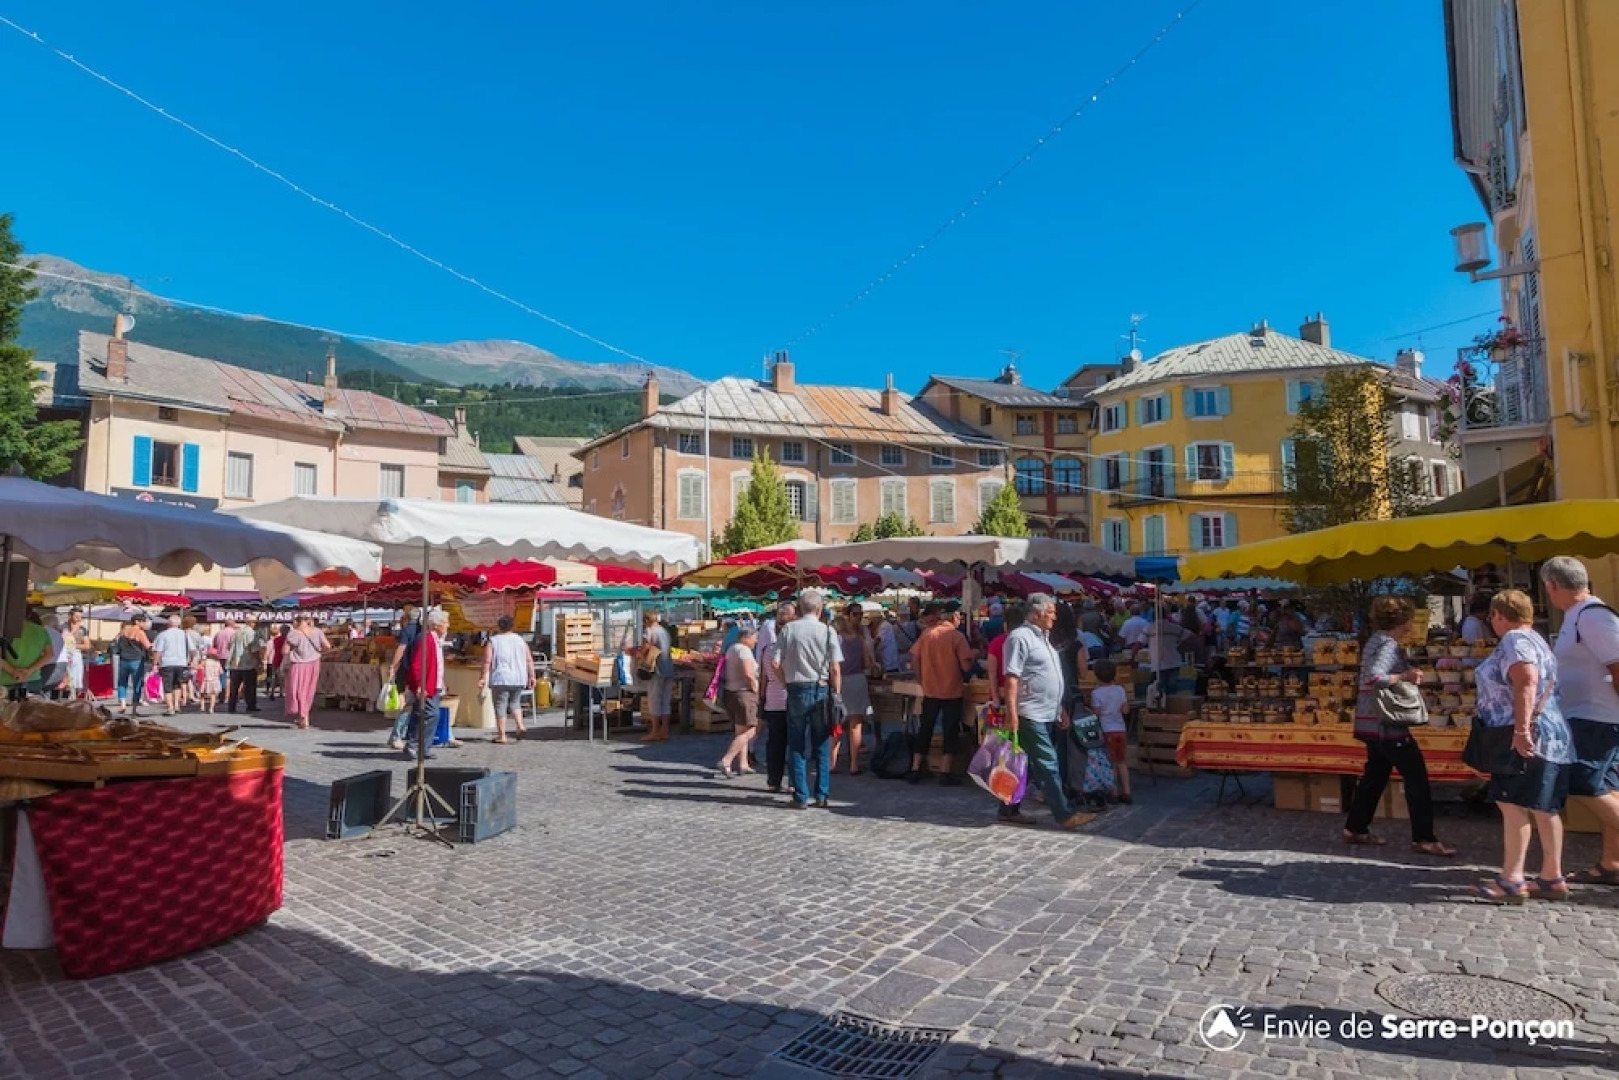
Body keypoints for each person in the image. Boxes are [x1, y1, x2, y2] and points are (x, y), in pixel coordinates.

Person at [1472, 589, 1575, 902]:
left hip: (1527, 733)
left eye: (1494, 616)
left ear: (1500, 616)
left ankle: (1511, 880)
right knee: (1544, 807)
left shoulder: (1514, 640)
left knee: (1512, 803)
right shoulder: (1538, 639)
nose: (1492, 622)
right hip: (1553, 733)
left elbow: (1526, 680)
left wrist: (1520, 730)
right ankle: (1550, 876)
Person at [1342, 597, 1457, 856]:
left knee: (1375, 774)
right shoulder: (1387, 645)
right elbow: (1374, 678)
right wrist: (1405, 676)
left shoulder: (1375, 640)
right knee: (1416, 777)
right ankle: (1424, 838)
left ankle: (1355, 827)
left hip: (1372, 723)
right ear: (1402, 620)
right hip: (1387, 724)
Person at [1541, 557, 1619, 886]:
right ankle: (1612, 863)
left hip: (1596, 715)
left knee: (1584, 782)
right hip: (1589, 714)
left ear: (1552, 586)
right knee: (1610, 790)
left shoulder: (1592, 616)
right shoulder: (1580, 616)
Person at [997, 594, 1096, 830]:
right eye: (1050, 611)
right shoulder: (1020, 638)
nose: (1054, 616)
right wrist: (1011, 713)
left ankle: (1008, 809)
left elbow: (1049, 676)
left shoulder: (1044, 638)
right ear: (1036, 613)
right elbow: (1012, 678)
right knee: (1048, 763)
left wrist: (1059, 707)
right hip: (1029, 712)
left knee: (1028, 765)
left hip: (1046, 711)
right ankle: (1065, 814)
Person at [773, 589, 842, 809]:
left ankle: (800, 795)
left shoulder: (789, 630)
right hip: (821, 689)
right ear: (819, 609)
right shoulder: (828, 632)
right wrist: (837, 694)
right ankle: (821, 794)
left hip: (796, 689)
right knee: (821, 743)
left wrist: (785, 682)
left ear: (799, 609)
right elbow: (835, 668)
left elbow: (774, 663)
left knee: (796, 743)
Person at [909, 601, 974, 785]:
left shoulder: (926, 634)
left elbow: (914, 661)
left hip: (930, 691)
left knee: (925, 728)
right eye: (959, 616)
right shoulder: (956, 637)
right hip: (952, 691)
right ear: (954, 617)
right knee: (950, 730)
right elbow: (966, 665)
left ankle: (915, 768)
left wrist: (922, 680)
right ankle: (945, 772)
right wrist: (974, 654)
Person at [756, 602, 796, 793]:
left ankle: (773, 781)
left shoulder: (767, 650)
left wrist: (761, 698)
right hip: (791, 698)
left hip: (772, 701)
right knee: (794, 743)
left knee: (775, 742)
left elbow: (763, 678)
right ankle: (793, 781)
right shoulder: (792, 649)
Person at [832, 607, 874, 775]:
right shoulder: (859, 640)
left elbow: (832, 666)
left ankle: (832, 764)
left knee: (836, 725)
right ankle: (854, 765)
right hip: (858, 680)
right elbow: (867, 663)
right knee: (855, 726)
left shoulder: (836, 640)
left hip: (840, 682)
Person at [405, 609, 451, 760]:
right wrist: (420, 684)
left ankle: (418, 746)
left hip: (434, 684)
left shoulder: (436, 641)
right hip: (427, 685)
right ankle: (418, 745)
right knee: (432, 714)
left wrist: (441, 681)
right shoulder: (426, 640)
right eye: (445, 623)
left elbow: (436, 664)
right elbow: (417, 664)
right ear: (436, 625)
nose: (447, 626)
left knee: (421, 713)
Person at [481, 615, 535, 744]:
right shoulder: (520, 641)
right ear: (512, 626)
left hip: (501, 678)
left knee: (500, 705)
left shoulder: (493, 641)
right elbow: (528, 659)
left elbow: (487, 661)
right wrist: (532, 676)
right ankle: (520, 725)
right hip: (518, 678)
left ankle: (502, 735)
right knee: (515, 703)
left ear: (499, 626)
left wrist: (483, 677)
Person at [718, 625, 760, 777]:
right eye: (754, 638)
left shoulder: (732, 648)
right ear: (746, 638)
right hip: (744, 694)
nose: (756, 641)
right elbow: (748, 674)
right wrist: (756, 689)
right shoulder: (743, 650)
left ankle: (743, 764)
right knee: (752, 729)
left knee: (740, 729)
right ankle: (727, 759)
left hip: (732, 692)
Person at [1091, 659, 1132, 803]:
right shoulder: (1120, 690)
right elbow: (1126, 710)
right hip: (1120, 729)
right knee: (1121, 761)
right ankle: (1127, 792)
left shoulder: (1096, 693)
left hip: (1106, 730)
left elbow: (1096, 713)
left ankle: (1113, 792)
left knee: (1110, 763)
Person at [386, 603, 424, 751]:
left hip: (406, 670)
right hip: (415, 672)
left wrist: (393, 666)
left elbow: (400, 649)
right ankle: (397, 735)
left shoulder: (406, 630)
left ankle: (396, 736)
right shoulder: (422, 631)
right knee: (408, 705)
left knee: (406, 705)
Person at [281, 614, 327, 729]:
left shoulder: (293, 633)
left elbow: (284, 651)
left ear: (296, 621)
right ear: (308, 621)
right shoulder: (317, 631)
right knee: (308, 691)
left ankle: (303, 717)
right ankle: (304, 717)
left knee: (297, 690)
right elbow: (327, 645)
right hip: (314, 663)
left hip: (299, 664)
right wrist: (316, 652)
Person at [640, 610, 675, 743]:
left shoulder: (649, 631)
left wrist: (639, 654)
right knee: (666, 700)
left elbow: (646, 646)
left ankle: (655, 731)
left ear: (647, 620)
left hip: (656, 668)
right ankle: (665, 730)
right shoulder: (665, 631)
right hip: (669, 667)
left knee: (654, 700)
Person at [986, 603, 1026, 709]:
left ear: (1005, 624)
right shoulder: (1027, 642)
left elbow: (992, 673)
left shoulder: (996, 643)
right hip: (1023, 696)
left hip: (1002, 694)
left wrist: (995, 698)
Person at [152, 614, 192, 717]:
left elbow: (158, 651)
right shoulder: (185, 634)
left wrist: (155, 663)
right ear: (179, 624)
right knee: (177, 685)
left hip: (167, 663)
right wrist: (190, 661)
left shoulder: (163, 635)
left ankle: (170, 708)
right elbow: (192, 649)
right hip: (182, 663)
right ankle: (177, 705)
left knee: (167, 686)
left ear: (169, 623)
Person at [112, 613, 153, 715]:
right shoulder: (140, 632)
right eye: (143, 621)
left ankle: (123, 705)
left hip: (123, 660)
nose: (144, 623)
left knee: (122, 683)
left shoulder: (124, 631)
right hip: (136, 660)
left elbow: (115, 641)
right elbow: (148, 646)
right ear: (137, 621)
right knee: (137, 684)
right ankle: (134, 709)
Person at [226, 616, 264, 713]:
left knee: (234, 687)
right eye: (256, 623)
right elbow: (254, 650)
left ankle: (232, 706)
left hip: (235, 663)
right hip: (248, 663)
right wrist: (260, 661)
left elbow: (229, 646)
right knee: (250, 686)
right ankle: (251, 705)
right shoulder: (251, 633)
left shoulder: (236, 632)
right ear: (252, 623)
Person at [62, 609, 89, 700]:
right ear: (70, 616)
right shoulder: (63, 627)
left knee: (77, 682)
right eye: (76, 617)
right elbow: (63, 641)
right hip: (64, 655)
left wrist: (73, 645)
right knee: (67, 681)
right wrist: (73, 631)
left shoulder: (82, 629)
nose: (79, 619)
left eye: (81, 617)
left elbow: (87, 645)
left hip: (76, 655)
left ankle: (74, 698)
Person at [266, 624, 291, 700]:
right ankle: (282, 692)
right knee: (284, 677)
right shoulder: (288, 640)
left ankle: (272, 692)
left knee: (274, 676)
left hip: (276, 658)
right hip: (285, 659)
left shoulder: (276, 640)